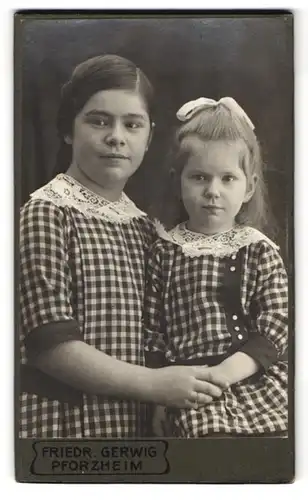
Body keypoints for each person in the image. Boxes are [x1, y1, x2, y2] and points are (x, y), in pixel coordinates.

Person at [19, 56, 229, 438]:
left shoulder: (147, 229)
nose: (116, 136)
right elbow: (48, 346)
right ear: (68, 129)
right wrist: (153, 384)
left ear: (148, 137)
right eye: (98, 121)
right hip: (67, 429)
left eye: (132, 124)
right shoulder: (47, 212)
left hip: (135, 430)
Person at [144, 97, 288, 437]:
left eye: (227, 178)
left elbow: (276, 325)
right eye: (199, 177)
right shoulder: (164, 251)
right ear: (178, 181)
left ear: (249, 186)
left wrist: (227, 371)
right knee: (211, 452)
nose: (213, 191)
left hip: (256, 377)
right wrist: (158, 400)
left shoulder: (258, 250)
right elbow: (153, 334)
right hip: (191, 389)